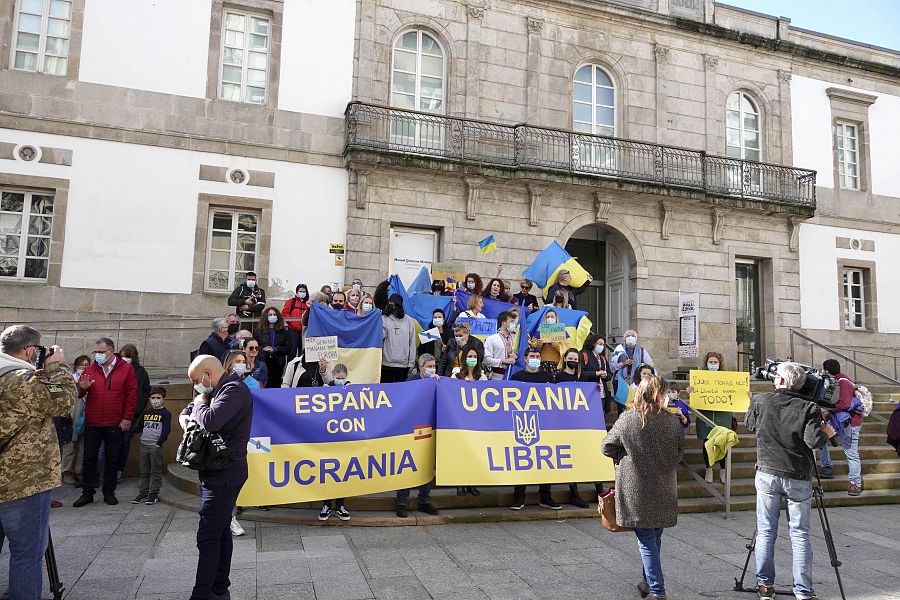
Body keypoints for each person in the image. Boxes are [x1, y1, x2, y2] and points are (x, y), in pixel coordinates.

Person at [745, 361, 834, 600]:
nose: (773, 379)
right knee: (800, 534)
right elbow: (814, 442)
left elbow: (750, 425)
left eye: (776, 376)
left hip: (767, 473)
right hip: (797, 475)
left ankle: (765, 587)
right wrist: (825, 434)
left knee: (765, 531)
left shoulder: (761, 401)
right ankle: (803, 591)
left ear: (782, 381)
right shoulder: (809, 408)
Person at [0, 326, 76, 600]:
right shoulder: (20, 380)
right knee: (28, 552)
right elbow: (64, 400)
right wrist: (58, 366)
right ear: (31, 350)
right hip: (21, 481)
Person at [601, 375, 683, 600]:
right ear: (659, 395)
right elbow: (678, 453)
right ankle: (647, 583)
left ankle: (657, 591)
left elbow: (606, 446)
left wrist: (623, 456)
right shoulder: (672, 421)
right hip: (664, 487)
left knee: (647, 539)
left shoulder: (628, 419)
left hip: (636, 489)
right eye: (665, 393)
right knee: (654, 536)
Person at [180, 355, 253, 600]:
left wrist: (200, 401)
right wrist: (187, 416)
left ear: (208, 374)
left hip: (225, 474)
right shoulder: (217, 390)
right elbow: (188, 411)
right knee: (220, 530)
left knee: (208, 535)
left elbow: (210, 421)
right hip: (215, 471)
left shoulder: (233, 391)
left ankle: (202, 594)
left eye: (196, 381)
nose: (196, 387)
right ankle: (220, 588)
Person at [74, 338, 137, 507]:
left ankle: (109, 492)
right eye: (95, 352)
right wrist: (83, 387)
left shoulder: (126, 368)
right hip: (93, 421)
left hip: (115, 421)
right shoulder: (90, 368)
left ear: (111, 351)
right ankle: (87, 493)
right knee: (89, 459)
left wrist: (127, 417)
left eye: (101, 352)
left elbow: (132, 395)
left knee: (112, 458)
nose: (97, 355)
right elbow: (79, 394)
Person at [508, 347, 560, 510]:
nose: (535, 358)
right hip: (523, 423)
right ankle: (519, 496)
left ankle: (545, 496)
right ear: (525, 358)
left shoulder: (547, 377)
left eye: (538, 356)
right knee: (522, 460)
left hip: (545, 423)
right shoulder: (516, 377)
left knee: (546, 460)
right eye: (532, 356)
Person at [396, 357, 441, 518]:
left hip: (428, 429)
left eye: (434, 366)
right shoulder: (411, 381)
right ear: (420, 367)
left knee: (426, 464)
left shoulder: (436, 381)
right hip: (411, 430)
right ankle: (401, 502)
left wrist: (438, 385)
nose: (432, 369)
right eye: (429, 366)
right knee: (407, 466)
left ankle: (424, 500)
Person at [686, 352, 733, 483]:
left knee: (722, 443)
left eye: (715, 362)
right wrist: (690, 391)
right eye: (710, 362)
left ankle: (723, 470)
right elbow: (694, 399)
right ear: (706, 364)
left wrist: (746, 394)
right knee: (707, 443)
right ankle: (709, 469)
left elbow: (736, 393)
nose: (713, 364)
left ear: (720, 364)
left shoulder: (728, 378)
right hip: (705, 414)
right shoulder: (700, 378)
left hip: (722, 414)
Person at [818, 359, 864, 495]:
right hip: (839, 420)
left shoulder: (843, 382)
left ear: (827, 371)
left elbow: (844, 404)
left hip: (849, 423)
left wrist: (827, 410)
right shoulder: (840, 380)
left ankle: (855, 483)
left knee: (851, 453)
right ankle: (827, 467)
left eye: (823, 370)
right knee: (821, 439)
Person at [554, 348, 590, 508]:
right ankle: (572, 490)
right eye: (571, 358)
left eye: (576, 359)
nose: (573, 361)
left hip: (579, 422)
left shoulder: (581, 377)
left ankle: (576, 491)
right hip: (563, 422)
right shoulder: (559, 377)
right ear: (565, 358)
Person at [131, 386, 171, 506]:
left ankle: (153, 494)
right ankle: (143, 493)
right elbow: (139, 427)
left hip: (155, 446)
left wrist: (159, 443)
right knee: (144, 470)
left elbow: (166, 430)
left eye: (158, 397)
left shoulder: (166, 413)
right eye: (153, 397)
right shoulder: (147, 412)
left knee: (155, 471)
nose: (155, 400)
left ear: (163, 399)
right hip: (144, 444)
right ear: (149, 398)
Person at [118, 343, 151, 481]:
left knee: (125, 442)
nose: (125, 359)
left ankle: (119, 470)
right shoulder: (117, 369)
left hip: (132, 414)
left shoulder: (140, 372)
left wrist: (137, 409)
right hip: (116, 412)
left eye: (128, 356)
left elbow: (144, 392)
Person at [61, 354, 90, 485]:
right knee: (70, 446)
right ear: (75, 366)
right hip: (72, 416)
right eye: (81, 365)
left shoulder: (91, 379)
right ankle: (66, 472)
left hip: (85, 417)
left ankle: (79, 471)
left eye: (86, 365)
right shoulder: (70, 380)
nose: (83, 367)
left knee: (81, 447)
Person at [381, 294, 417, 383]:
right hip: (386, 363)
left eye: (393, 305)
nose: (391, 307)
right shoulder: (383, 319)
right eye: (389, 304)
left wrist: (411, 363)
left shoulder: (409, 321)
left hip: (403, 365)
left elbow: (412, 342)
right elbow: (380, 337)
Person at [253, 307, 290, 388]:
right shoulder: (259, 331)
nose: (272, 316)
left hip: (278, 361)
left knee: (275, 383)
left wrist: (275, 349)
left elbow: (288, 348)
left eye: (274, 314)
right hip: (263, 360)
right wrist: (263, 349)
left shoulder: (284, 331)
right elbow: (255, 345)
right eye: (270, 314)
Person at [578, 334, 613, 413]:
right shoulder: (584, 355)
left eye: (603, 344)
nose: (601, 346)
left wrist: (605, 375)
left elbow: (610, 374)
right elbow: (580, 374)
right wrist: (596, 373)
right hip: (588, 392)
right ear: (593, 343)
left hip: (602, 392)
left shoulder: (602, 358)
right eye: (599, 344)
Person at [529, 309, 563, 377]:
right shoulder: (540, 330)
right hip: (542, 362)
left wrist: (556, 345)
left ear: (556, 319)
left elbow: (566, 348)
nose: (550, 319)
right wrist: (539, 344)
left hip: (557, 364)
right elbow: (532, 346)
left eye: (552, 317)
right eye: (548, 317)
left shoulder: (562, 331)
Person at [483, 311, 517, 380]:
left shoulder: (516, 338)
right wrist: (503, 361)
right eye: (511, 321)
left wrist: (517, 357)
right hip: (497, 376)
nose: (514, 324)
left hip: (514, 376)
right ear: (504, 323)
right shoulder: (492, 339)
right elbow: (486, 360)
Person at [281, 283, 309, 358]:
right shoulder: (291, 302)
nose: (302, 293)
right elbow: (285, 313)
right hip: (293, 330)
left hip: (304, 331)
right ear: (297, 292)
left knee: (303, 352)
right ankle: (290, 368)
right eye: (300, 291)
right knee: (292, 352)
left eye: (304, 292)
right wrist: (291, 322)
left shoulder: (308, 303)